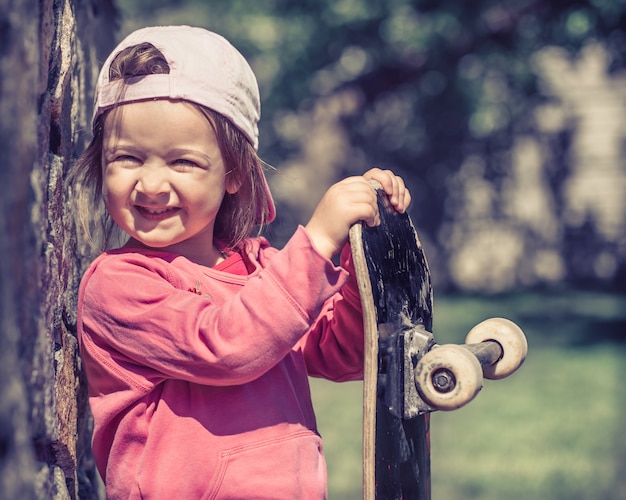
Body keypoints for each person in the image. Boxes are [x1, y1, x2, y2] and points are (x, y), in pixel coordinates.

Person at [71, 25, 411, 499]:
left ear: (234, 174)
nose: (150, 184)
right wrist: (316, 241)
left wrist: (356, 250)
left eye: (182, 162)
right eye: (127, 158)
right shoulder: (120, 284)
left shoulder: (262, 270)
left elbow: (344, 354)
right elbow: (228, 345)